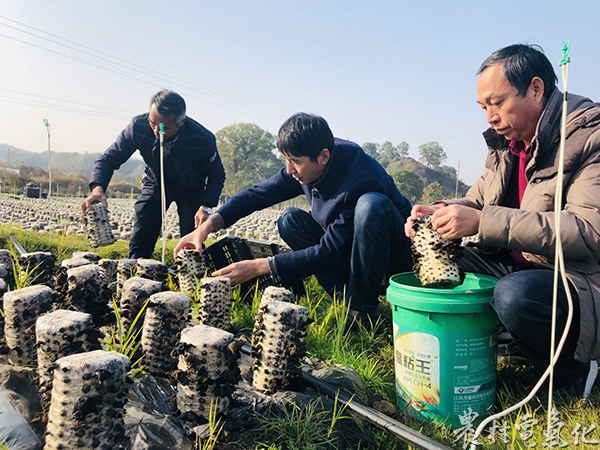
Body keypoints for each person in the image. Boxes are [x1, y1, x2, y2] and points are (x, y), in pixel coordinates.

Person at [405, 44, 600, 399]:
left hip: (576, 279)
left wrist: (481, 221)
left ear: (536, 88)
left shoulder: (590, 136)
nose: (490, 118)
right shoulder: (506, 144)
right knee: (433, 259)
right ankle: (510, 338)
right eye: (483, 108)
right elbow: (479, 198)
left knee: (515, 295)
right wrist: (441, 210)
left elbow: (586, 232)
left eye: (497, 103)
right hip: (515, 263)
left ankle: (573, 369)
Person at [174, 112, 413, 329]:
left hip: (389, 258)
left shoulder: (361, 178)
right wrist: (206, 227)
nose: (289, 170)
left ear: (324, 157)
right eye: (285, 160)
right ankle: (345, 298)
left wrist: (260, 266)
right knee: (290, 220)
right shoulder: (304, 162)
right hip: (350, 249)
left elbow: (329, 250)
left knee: (372, 204)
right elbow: (258, 194)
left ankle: (362, 311)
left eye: (295, 162)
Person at [81, 90, 225, 259]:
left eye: (165, 127)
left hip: (191, 187)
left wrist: (206, 206)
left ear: (181, 122)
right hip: (156, 182)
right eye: (153, 123)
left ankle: (191, 278)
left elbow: (217, 175)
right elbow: (107, 160)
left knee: (191, 236)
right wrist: (97, 190)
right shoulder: (138, 127)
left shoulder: (202, 138)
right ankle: (135, 274)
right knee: (143, 227)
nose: (157, 131)